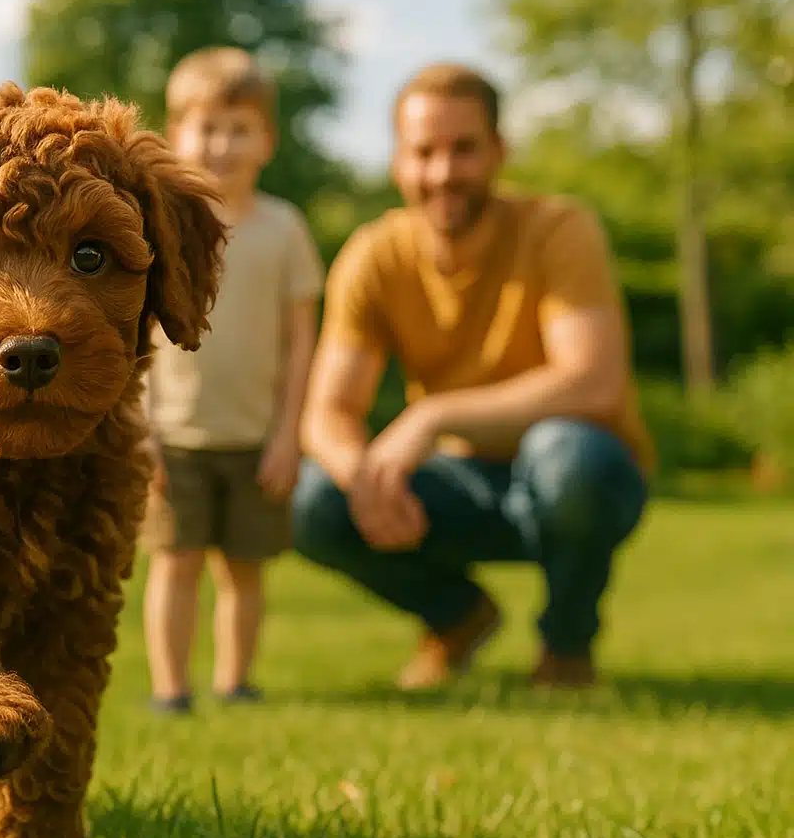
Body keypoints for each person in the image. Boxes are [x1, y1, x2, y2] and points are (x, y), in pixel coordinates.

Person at [292, 62, 655, 691]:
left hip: (584, 479)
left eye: (464, 149)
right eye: (423, 152)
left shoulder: (559, 229)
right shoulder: (374, 255)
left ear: (499, 152)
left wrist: (434, 415)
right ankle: (458, 618)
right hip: (456, 487)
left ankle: (567, 649)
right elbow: (326, 413)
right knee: (311, 501)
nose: (442, 172)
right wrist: (365, 480)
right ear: (397, 161)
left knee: (566, 454)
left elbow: (593, 383)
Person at [141, 46, 325, 713]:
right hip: (174, 435)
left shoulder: (284, 230)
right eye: (205, 126)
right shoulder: (159, 224)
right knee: (176, 563)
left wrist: (289, 435)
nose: (221, 143)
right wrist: (141, 430)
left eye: (239, 128)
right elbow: (134, 331)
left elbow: (301, 341)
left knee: (244, 569)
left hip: (255, 437)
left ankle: (237, 682)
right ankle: (171, 689)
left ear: (267, 142)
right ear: (175, 134)